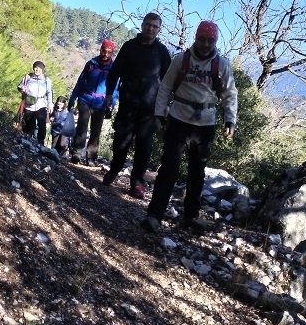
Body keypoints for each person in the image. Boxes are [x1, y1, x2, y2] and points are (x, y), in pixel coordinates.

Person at [140, 20, 238, 233]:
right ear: (196, 38)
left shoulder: (221, 65)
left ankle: (191, 217)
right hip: (178, 121)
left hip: (205, 125)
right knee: (169, 168)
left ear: (215, 41)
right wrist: (159, 114)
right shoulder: (180, 60)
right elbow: (165, 87)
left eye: (210, 40)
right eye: (202, 39)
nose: (206, 44)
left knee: (197, 172)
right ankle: (154, 215)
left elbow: (230, 94)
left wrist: (230, 120)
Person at [102, 13, 171, 199]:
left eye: (154, 26)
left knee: (144, 145)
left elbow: (168, 80)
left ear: (159, 30)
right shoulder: (129, 46)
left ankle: (137, 183)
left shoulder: (162, 52)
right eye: (148, 24)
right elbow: (115, 72)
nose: (151, 28)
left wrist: (166, 105)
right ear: (142, 25)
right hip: (128, 104)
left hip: (150, 109)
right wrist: (109, 94)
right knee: (121, 141)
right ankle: (114, 170)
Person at [67, 39, 119, 165]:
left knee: (96, 131)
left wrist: (111, 105)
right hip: (85, 99)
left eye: (109, 52)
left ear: (112, 53)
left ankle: (91, 157)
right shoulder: (91, 64)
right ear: (100, 50)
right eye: (103, 51)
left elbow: (116, 90)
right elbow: (80, 82)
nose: (105, 54)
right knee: (82, 126)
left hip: (101, 104)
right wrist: (73, 98)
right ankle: (76, 152)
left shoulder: (114, 69)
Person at [17, 61, 53, 144]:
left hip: (41, 104)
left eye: (39, 68)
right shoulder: (28, 77)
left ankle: (40, 142)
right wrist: (22, 89)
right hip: (29, 105)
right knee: (28, 123)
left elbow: (49, 92)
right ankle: (27, 139)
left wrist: (50, 104)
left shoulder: (46, 79)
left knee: (42, 124)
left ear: (42, 70)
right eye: (35, 68)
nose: (37, 70)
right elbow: (20, 86)